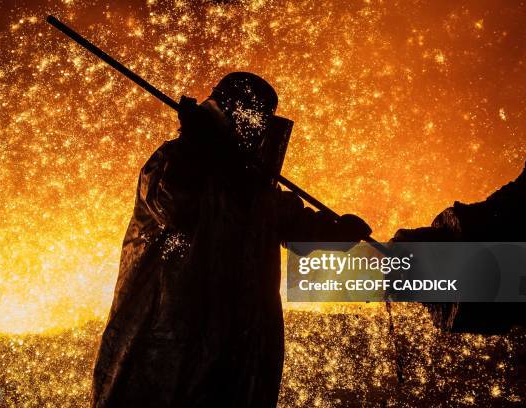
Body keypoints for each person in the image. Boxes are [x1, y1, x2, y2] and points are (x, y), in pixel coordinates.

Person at [91, 72, 371, 408]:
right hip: (169, 341)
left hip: (233, 350)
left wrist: (338, 232)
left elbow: (295, 223)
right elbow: (174, 205)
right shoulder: (172, 163)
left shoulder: (253, 187)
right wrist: (195, 147)